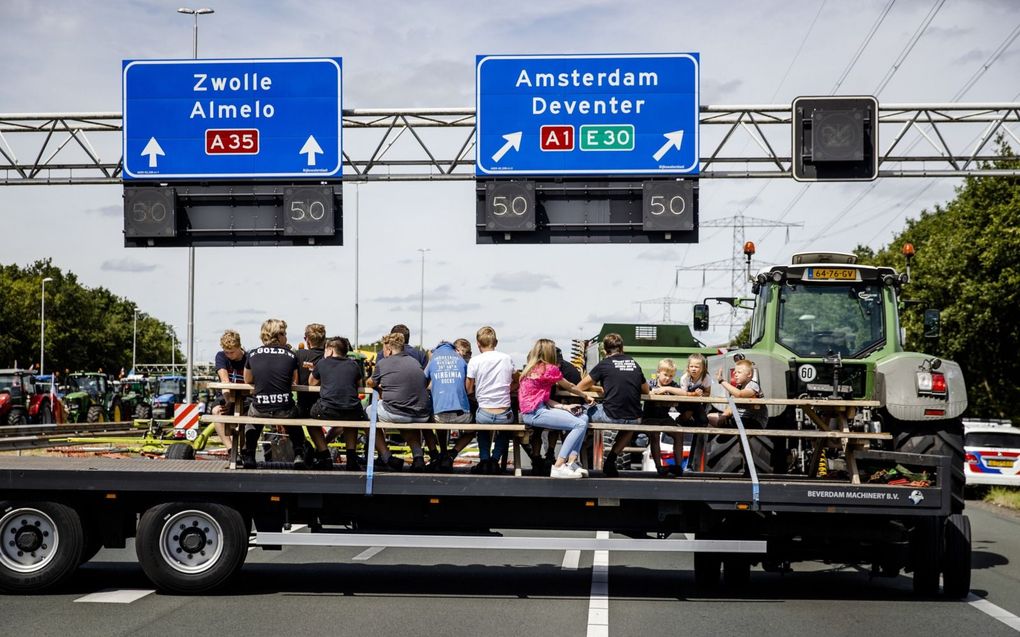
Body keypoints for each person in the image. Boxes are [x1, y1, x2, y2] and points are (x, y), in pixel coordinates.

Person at [576, 333, 650, 478]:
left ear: (604, 350)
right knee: (630, 424)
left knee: (577, 412)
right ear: (622, 348)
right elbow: (646, 390)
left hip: (610, 415)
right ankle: (611, 459)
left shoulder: (604, 364)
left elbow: (579, 387)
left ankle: (573, 460)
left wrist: (598, 389)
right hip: (634, 417)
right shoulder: (634, 363)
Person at [518, 338, 594, 479]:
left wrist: (565, 407)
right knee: (579, 423)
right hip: (535, 413)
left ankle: (571, 462)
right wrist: (585, 396)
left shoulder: (530, 368)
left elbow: (543, 399)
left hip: (534, 410)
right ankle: (559, 465)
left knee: (583, 417)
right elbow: (570, 386)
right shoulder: (549, 369)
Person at [368, 332, 431, 472]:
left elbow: (371, 382)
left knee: (368, 412)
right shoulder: (415, 362)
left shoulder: (382, 363)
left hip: (399, 412)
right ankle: (418, 457)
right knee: (403, 419)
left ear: (389, 349)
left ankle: (386, 456)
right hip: (421, 414)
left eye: (383, 349)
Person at [241, 319, 300, 470]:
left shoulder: (253, 354)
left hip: (261, 406)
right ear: (279, 335)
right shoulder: (291, 355)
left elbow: (247, 379)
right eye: (285, 334)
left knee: (252, 418)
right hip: (284, 408)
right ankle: (299, 453)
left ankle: (249, 455)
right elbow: (295, 380)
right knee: (294, 416)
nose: (286, 337)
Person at [458, 326, 517, 474]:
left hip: (484, 412)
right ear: (496, 342)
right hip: (504, 413)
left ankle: (484, 460)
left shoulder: (475, 361)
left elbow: (469, 389)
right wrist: (507, 390)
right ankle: (494, 460)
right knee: (505, 432)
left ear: (478, 344)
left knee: (482, 431)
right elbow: (518, 381)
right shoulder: (506, 358)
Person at [308, 336, 373, 471]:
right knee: (351, 420)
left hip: (327, 409)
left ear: (330, 351)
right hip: (352, 409)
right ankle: (351, 459)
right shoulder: (354, 365)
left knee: (310, 421)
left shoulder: (322, 363)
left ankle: (324, 455)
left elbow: (311, 383)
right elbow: (359, 384)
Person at [425, 339, 471, 472]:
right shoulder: (460, 359)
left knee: (427, 421)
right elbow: (468, 388)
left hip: (439, 416)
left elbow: (423, 382)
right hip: (461, 415)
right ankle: (452, 454)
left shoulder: (433, 359)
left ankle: (439, 453)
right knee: (474, 429)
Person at [641, 358, 687, 476]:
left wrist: (667, 389)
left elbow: (683, 393)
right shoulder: (650, 383)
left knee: (678, 433)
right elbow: (643, 391)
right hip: (649, 417)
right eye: (665, 374)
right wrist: (654, 392)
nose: (667, 378)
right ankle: (659, 466)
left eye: (671, 376)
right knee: (655, 435)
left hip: (664, 417)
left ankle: (678, 466)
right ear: (658, 373)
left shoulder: (672, 386)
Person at [292, 323, 326, 465]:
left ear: (306, 339)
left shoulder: (299, 355)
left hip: (304, 406)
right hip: (325, 405)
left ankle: (302, 449)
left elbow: (294, 381)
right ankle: (322, 452)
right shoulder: (328, 357)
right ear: (324, 339)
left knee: (289, 417)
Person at [210, 329, 247, 452]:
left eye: (232, 352)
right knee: (216, 411)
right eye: (226, 352)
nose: (229, 355)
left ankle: (245, 450)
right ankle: (231, 449)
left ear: (239, 347)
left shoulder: (248, 358)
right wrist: (229, 401)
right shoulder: (221, 356)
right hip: (226, 395)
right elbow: (224, 380)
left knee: (250, 416)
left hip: (246, 398)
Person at [712, 358, 766, 427]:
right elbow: (732, 406)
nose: (735, 375)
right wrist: (724, 415)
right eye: (735, 372)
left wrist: (721, 381)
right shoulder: (738, 387)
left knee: (729, 423)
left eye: (739, 372)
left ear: (749, 374)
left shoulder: (753, 385)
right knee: (709, 418)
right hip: (739, 419)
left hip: (754, 421)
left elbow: (740, 394)